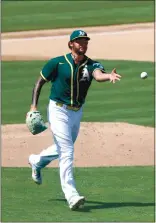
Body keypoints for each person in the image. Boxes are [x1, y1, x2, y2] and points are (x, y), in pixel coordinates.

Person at [28, 29, 121, 210]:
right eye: (79, 41)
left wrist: (108, 75)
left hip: (76, 112)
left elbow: (98, 75)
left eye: (85, 41)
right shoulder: (57, 62)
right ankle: (71, 194)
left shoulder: (91, 64)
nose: (83, 44)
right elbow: (40, 82)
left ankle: (36, 161)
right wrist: (33, 107)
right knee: (68, 150)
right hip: (58, 111)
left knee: (63, 147)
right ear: (71, 44)